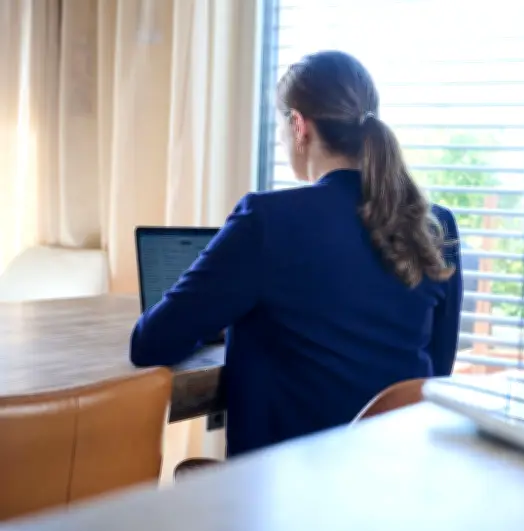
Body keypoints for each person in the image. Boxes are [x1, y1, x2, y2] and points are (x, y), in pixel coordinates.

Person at [129, 50, 463, 457]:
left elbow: (151, 343)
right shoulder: (437, 227)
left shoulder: (267, 220)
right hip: (395, 481)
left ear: (299, 126)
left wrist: (218, 319)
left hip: (282, 486)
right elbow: (436, 371)